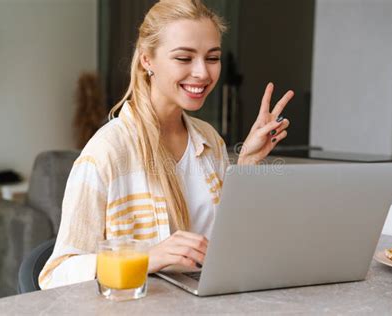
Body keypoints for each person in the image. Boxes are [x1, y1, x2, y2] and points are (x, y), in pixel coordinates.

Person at [39, 0, 293, 289]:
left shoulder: (209, 140)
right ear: (147, 59)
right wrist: (145, 258)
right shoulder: (107, 152)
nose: (202, 73)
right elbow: (55, 275)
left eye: (212, 58)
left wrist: (247, 163)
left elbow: (225, 243)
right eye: (184, 58)